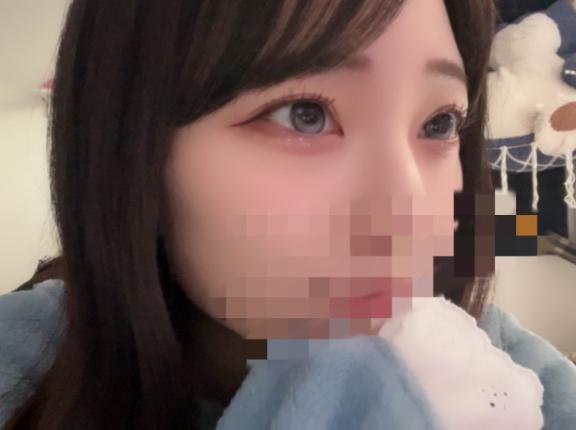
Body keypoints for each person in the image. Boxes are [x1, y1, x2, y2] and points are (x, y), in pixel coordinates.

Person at [1, 0, 575, 429]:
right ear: (128, 149)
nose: (412, 217)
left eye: (440, 123)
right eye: (305, 114)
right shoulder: (24, 362)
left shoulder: (517, 379)